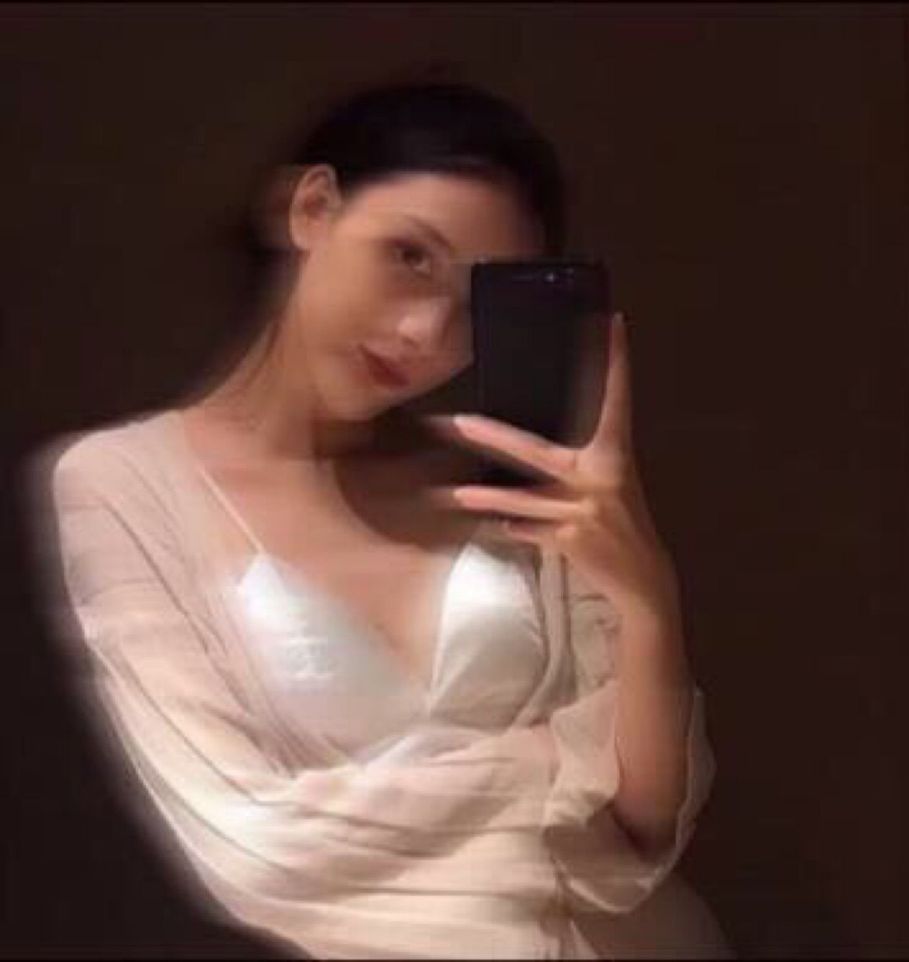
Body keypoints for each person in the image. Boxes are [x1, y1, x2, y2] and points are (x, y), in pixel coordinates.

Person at [26, 74, 731, 959]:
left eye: (474, 303)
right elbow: (255, 852)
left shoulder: (513, 479)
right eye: (409, 256)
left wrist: (649, 599)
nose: (426, 333)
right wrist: (553, 767)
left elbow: (641, 824)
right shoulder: (121, 485)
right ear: (313, 208)